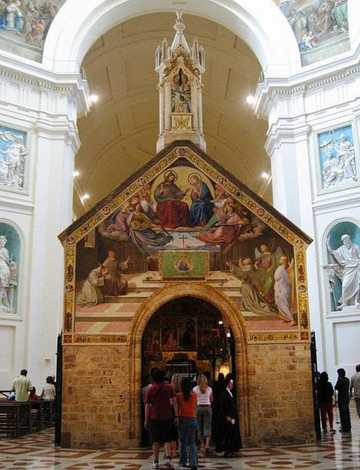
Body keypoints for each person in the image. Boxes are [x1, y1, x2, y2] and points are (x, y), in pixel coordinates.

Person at [145, 368, 175, 469]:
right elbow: (173, 401)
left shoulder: (151, 389)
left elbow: (147, 405)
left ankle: (156, 461)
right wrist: (176, 415)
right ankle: (168, 460)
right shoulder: (169, 387)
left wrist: (146, 420)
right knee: (167, 440)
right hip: (167, 417)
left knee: (155, 441)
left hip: (154, 417)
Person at [329, 234, 360, 309]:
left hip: (357, 268)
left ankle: (356, 301)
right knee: (345, 285)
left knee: (358, 285)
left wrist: (356, 262)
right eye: (345, 240)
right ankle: (345, 302)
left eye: (347, 239)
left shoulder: (356, 247)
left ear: (350, 239)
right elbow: (333, 252)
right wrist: (327, 244)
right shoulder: (341, 249)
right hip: (348, 270)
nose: (347, 241)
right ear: (343, 242)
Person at [175, 377, 198, 470]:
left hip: (182, 419)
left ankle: (183, 461)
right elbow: (195, 407)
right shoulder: (194, 395)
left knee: (183, 442)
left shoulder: (178, 396)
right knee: (192, 442)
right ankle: (193, 463)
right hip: (192, 419)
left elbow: (177, 408)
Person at [220, 375, 241, 457]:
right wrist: (227, 417)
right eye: (231, 383)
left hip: (233, 416)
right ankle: (228, 450)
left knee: (232, 433)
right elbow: (224, 407)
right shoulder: (224, 394)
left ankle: (232, 449)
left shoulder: (230, 393)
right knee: (228, 433)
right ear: (228, 384)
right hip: (228, 417)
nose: (232, 385)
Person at [193, 374, 213, 456]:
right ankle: (207, 445)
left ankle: (202, 445)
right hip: (207, 408)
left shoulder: (195, 389)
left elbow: (193, 400)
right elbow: (211, 400)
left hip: (198, 408)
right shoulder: (209, 389)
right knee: (207, 427)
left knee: (199, 427)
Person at [274, 256, 296, 325]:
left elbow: (288, 281)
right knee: (279, 304)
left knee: (284, 304)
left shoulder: (282, 270)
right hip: (279, 289)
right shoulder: (282, 269)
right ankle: (286, 318)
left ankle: (292, 320)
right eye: (280, 259)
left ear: (285, 261)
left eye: (282, 259)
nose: (280, 260)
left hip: (283, 289)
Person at [335, 368, 351, 433]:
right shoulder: (347, 379)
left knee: (342, 413)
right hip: (347, 397)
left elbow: (336, 387)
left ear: (340, 374)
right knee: (347, 412)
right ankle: (348, 426)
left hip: (341, 398)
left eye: (338, 373)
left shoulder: (340, 380)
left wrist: (338, 379)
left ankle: (345, 427)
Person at [213, 373, 225, 453]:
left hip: (217, 408)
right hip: (223, 408)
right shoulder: (224, 386)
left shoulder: (216, 386)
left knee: (218, 427)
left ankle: (218, 445)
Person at [169, 374, 181, 460]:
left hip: (172, 413)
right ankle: (180, 450)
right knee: (180, 433)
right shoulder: (182, 391)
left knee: (172, 433)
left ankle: (173, 451)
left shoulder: (170, 390)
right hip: (181, 413)